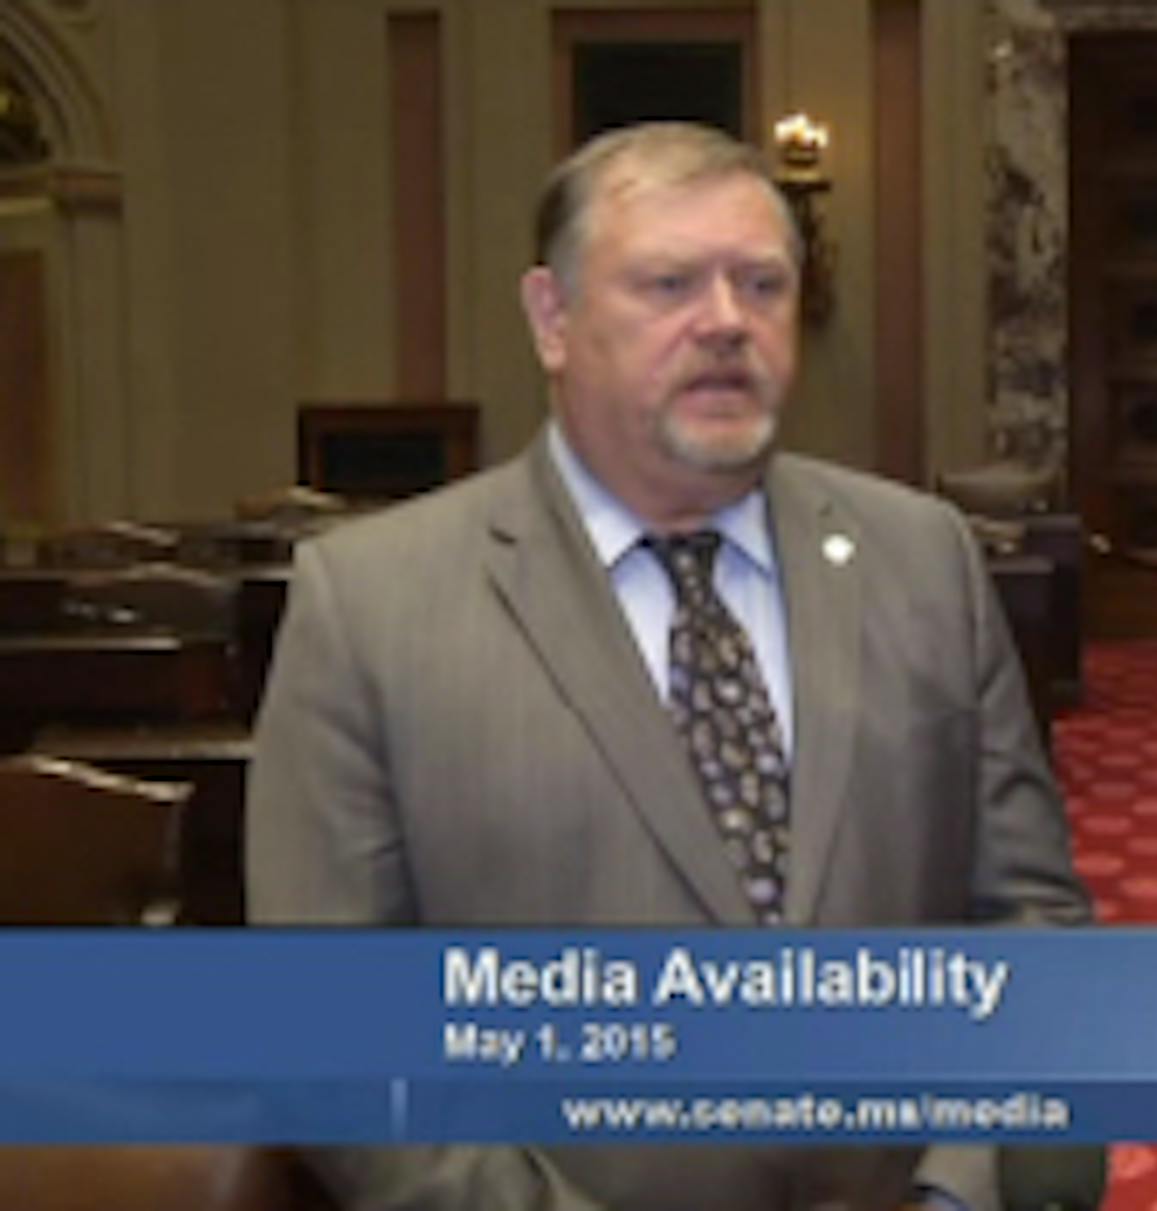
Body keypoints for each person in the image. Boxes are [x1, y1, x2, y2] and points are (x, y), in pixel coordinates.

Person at [247, 121, 1092, 1211]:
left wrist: (956, 1188)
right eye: (669, 283)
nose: (728, 321)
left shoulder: (924, 559)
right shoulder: (371, 604)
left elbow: (1031, 923)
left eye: (763, 284)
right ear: (552, 319)